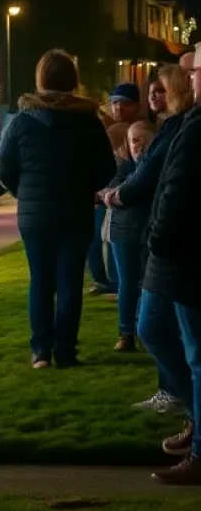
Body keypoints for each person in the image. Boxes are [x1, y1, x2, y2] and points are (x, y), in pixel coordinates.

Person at [0, 49, 115, 369]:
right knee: (70, 281)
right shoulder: (88, 121)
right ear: (72, 81)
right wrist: (86, 186)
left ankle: (40, 351)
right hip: (75, 210)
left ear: (41, 79)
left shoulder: (22, 121)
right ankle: (65, 350)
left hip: (34, 214)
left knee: (41, 280)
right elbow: (106, 168)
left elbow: (3, 168)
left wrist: (23, 192)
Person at [107, 66, 193, 412]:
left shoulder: (179, 128)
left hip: (169, 244)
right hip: (165, 238)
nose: (156, 96)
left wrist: (118, 195)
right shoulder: (174, 127)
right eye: (151, 91)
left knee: (157, 327)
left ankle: (186, 404)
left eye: (162, 90)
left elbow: (152, 179)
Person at [138, 46, 201, 485]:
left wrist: (157, 238)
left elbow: (171, 186)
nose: (190, 77)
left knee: (195, 353)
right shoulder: (186, 125)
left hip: (182, 255)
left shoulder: (192, 127)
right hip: (177, 254)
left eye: (194, 71)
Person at [88, 82, 140, 294]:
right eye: (115, 103)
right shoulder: (107, 129)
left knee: (114, 243)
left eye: (125, 104)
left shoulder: (138, 129)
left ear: (136, 106)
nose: (118, 108)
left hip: (122, 197)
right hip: (102, 195)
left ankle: (118, 284)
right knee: (95, 240)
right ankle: (103, 280)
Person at [105, 120, 151, 350]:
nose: (138, 146)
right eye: (134, 140)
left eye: (143, 140)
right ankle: (126, 333)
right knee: (128, 283)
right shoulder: (121, 166)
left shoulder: (155, 166)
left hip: (147, 231)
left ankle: (143, 331)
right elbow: (109, 193)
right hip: (123, 231)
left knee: (146, 283)